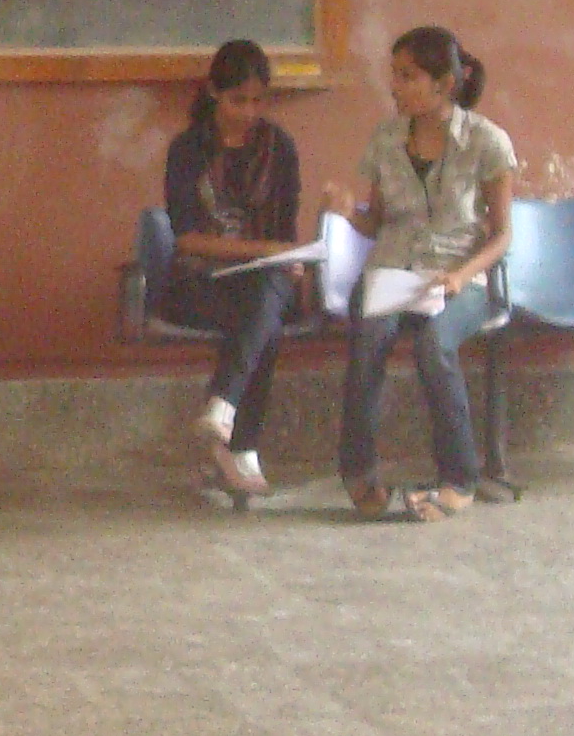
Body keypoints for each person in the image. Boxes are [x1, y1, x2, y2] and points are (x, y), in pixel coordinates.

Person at [333, 26, 518, 522]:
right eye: (394, 74)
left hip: (458, 280)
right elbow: (375, 223)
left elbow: (501, 236)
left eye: (406, 76)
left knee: (434, 346)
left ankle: (459, 478)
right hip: (392, 273)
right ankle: (359, 475)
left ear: (444, 84)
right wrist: (351, 212)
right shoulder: (386, 138)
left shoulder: (486, 141)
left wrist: (460, 276)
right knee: (369, 339)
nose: (394, 86)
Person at [158, 39, 302, 500]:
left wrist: (285, 257)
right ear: (214, 93)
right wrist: (265, 251)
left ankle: (224, 407)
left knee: (268, 291)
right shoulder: (188, 150)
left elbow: (285, 230)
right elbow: (186, 238)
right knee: (266, 321)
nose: (249, 111)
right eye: (239, 99)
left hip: (263, 281)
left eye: (259, 100)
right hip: (199, 282)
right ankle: (241, 445)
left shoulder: (279, 148)